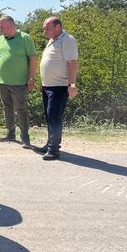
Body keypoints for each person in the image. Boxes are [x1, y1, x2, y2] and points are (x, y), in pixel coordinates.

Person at [0, 15, 37, 148]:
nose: (0, 29)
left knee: (21, 109)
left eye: (2, 27)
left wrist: (31, 77)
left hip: (19, 82)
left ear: (11, 25)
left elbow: (33, 58)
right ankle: (10, 133)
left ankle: (25, 138)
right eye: (0, 27)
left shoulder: (25, 38)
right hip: (2, 82)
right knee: (7, 108)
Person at [36, 17, 79, 160]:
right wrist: (43, 82)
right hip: (48, 86)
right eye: (44, 28)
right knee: (49, 116)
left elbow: (72, 63)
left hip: (59, 86)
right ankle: (50, 143)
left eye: (47, 28)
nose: (45, 31)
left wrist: (72, 86)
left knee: (54, 116)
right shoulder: (53, 40)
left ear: (58, 27)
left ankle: (54, 149)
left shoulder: (67, 39)